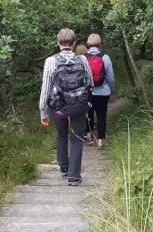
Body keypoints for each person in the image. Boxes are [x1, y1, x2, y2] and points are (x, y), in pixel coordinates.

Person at [39, 28, 94, 186]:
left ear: (58, 43)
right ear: (74, 43)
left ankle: (64, 168)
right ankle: (74, 177)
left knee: (61, 135)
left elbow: (45, 89)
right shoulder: (82, 59)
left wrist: (43, 112)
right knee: (77, 139)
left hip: (58, 107)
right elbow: (90, 82)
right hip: (78, 105)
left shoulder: (51, 61)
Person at [84, 34, 115, 150]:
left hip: (88, 92)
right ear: (99, 43)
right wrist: (111, 89)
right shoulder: (105, 57)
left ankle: (89, 136)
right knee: (102, 115)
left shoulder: (83, 58)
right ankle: (100, 141)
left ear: (88, 43)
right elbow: (110, 77)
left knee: (89, 114)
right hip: (103, 93)